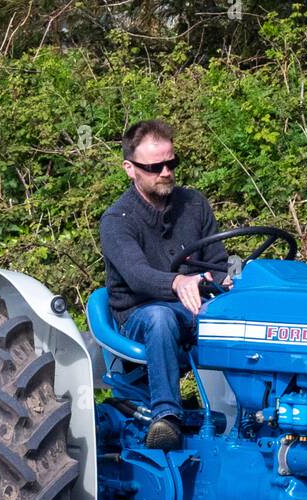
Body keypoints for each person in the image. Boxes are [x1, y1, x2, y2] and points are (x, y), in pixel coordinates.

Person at [99, 119, 232, 450]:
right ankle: (166, 419)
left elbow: (215, 264)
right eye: (154, 166)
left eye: (171, 162)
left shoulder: (194, 204)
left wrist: (220, 279)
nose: (165, 172)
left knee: (246, 313)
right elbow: (136, 275)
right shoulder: (117, 220)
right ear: (130, 169)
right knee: (161, 318)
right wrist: (177, 282)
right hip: (140, 315)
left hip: (196, 307)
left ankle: (253, 416)